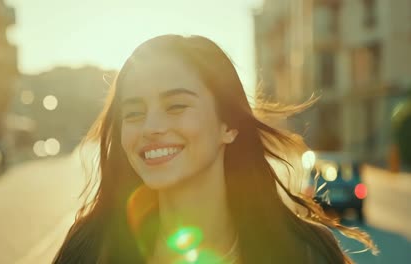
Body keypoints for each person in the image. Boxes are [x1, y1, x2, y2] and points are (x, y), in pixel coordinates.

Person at [53, 34, 377, 264]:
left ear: (229, 125)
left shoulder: (305, 253)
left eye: (176, 106)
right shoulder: (90, 249)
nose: (150, 127)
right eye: (134, 113)